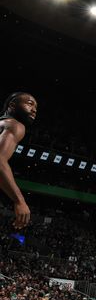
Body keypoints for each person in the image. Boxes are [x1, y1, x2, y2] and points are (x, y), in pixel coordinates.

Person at [0, 92, 37, 229]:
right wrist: (19, 200)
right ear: (12, 105)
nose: (34, 109)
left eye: (36, 108)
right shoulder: (15, 125)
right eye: (29, 103)